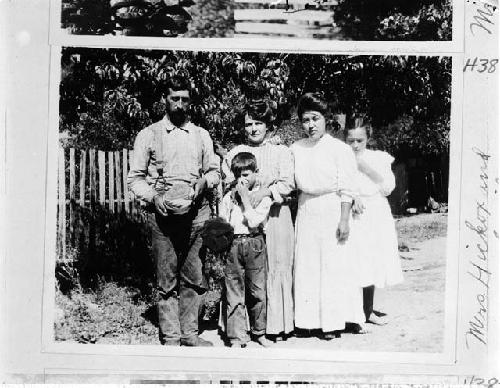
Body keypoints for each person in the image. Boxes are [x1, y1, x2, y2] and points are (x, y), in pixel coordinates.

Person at [127, 75, 220, 347]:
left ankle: (190, 335)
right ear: (164, 100)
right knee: (166, 279)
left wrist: (204, 182)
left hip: (196, 212)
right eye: (174, 99)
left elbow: (213, 171)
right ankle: (170, 337)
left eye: (185, 99)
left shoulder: (201, 135)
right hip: (162, 215)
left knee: (194, 275)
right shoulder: (149, 135)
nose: (180, 105)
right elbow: (135, 178)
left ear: (191, 102)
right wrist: (154, 197)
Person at [290, 92, 365, 339]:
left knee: (333, 265)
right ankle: (309, 321)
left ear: (326, 119)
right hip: (306, 208)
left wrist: (344, 219)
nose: (310, 125)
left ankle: (334, 322)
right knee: (308, 265)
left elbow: (347, 186)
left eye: (315, 118)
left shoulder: (339, 148)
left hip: (332, 208)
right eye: (305, 120)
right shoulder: (296, 148)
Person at [222, 98, 295, 341]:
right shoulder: (235, 153)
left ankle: (273, 326)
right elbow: (227, 184)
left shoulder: (281, 151)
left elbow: (287, 183)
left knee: (274, 266)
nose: (253, 129)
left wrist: (265, 192)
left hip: (275, 215)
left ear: (268, 124)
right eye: (248, 124)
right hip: (244, 221)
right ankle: (239, 329)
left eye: (259, 123)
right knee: (245, 274)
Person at [345, 117, 404, 325]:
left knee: (372, 260)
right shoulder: (342, 157)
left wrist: (365, 167)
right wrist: (352, 197)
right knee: (355, 261)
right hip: (353, 213)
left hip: (376, 212)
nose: (354, 145)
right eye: (350, 140)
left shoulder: (379, 157)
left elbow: (388, 187)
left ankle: (367, 310)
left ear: (368, 138)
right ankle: (354, 312)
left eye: (359, 140)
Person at [219, 152, 273, 348]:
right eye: (239, 175)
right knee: (234, 292)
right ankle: (236, 336)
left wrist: (245, 199)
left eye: (247, 174)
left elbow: (254, 221)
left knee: (257, 291)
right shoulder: (228, 197)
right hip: (234, 245)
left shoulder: (262, 198)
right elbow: (223, 221)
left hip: (255, 243)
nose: (243, 179)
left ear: (256, 173)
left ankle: (259, 332)